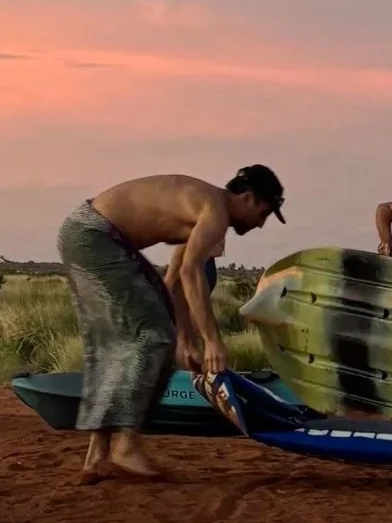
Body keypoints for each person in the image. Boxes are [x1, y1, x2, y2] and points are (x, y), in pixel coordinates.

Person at [57, 162, 284, 483]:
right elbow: (192, 272)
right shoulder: (215, 212)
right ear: (247, 198)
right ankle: (126, 446)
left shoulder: (203, 210)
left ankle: (97, 456)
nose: (260, 224)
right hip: (95, 235)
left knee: (130, 342)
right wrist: (213, 342)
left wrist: (186, 340)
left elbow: (175, 278)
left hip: (90, 233)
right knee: (152, 336)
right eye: (263, 213)